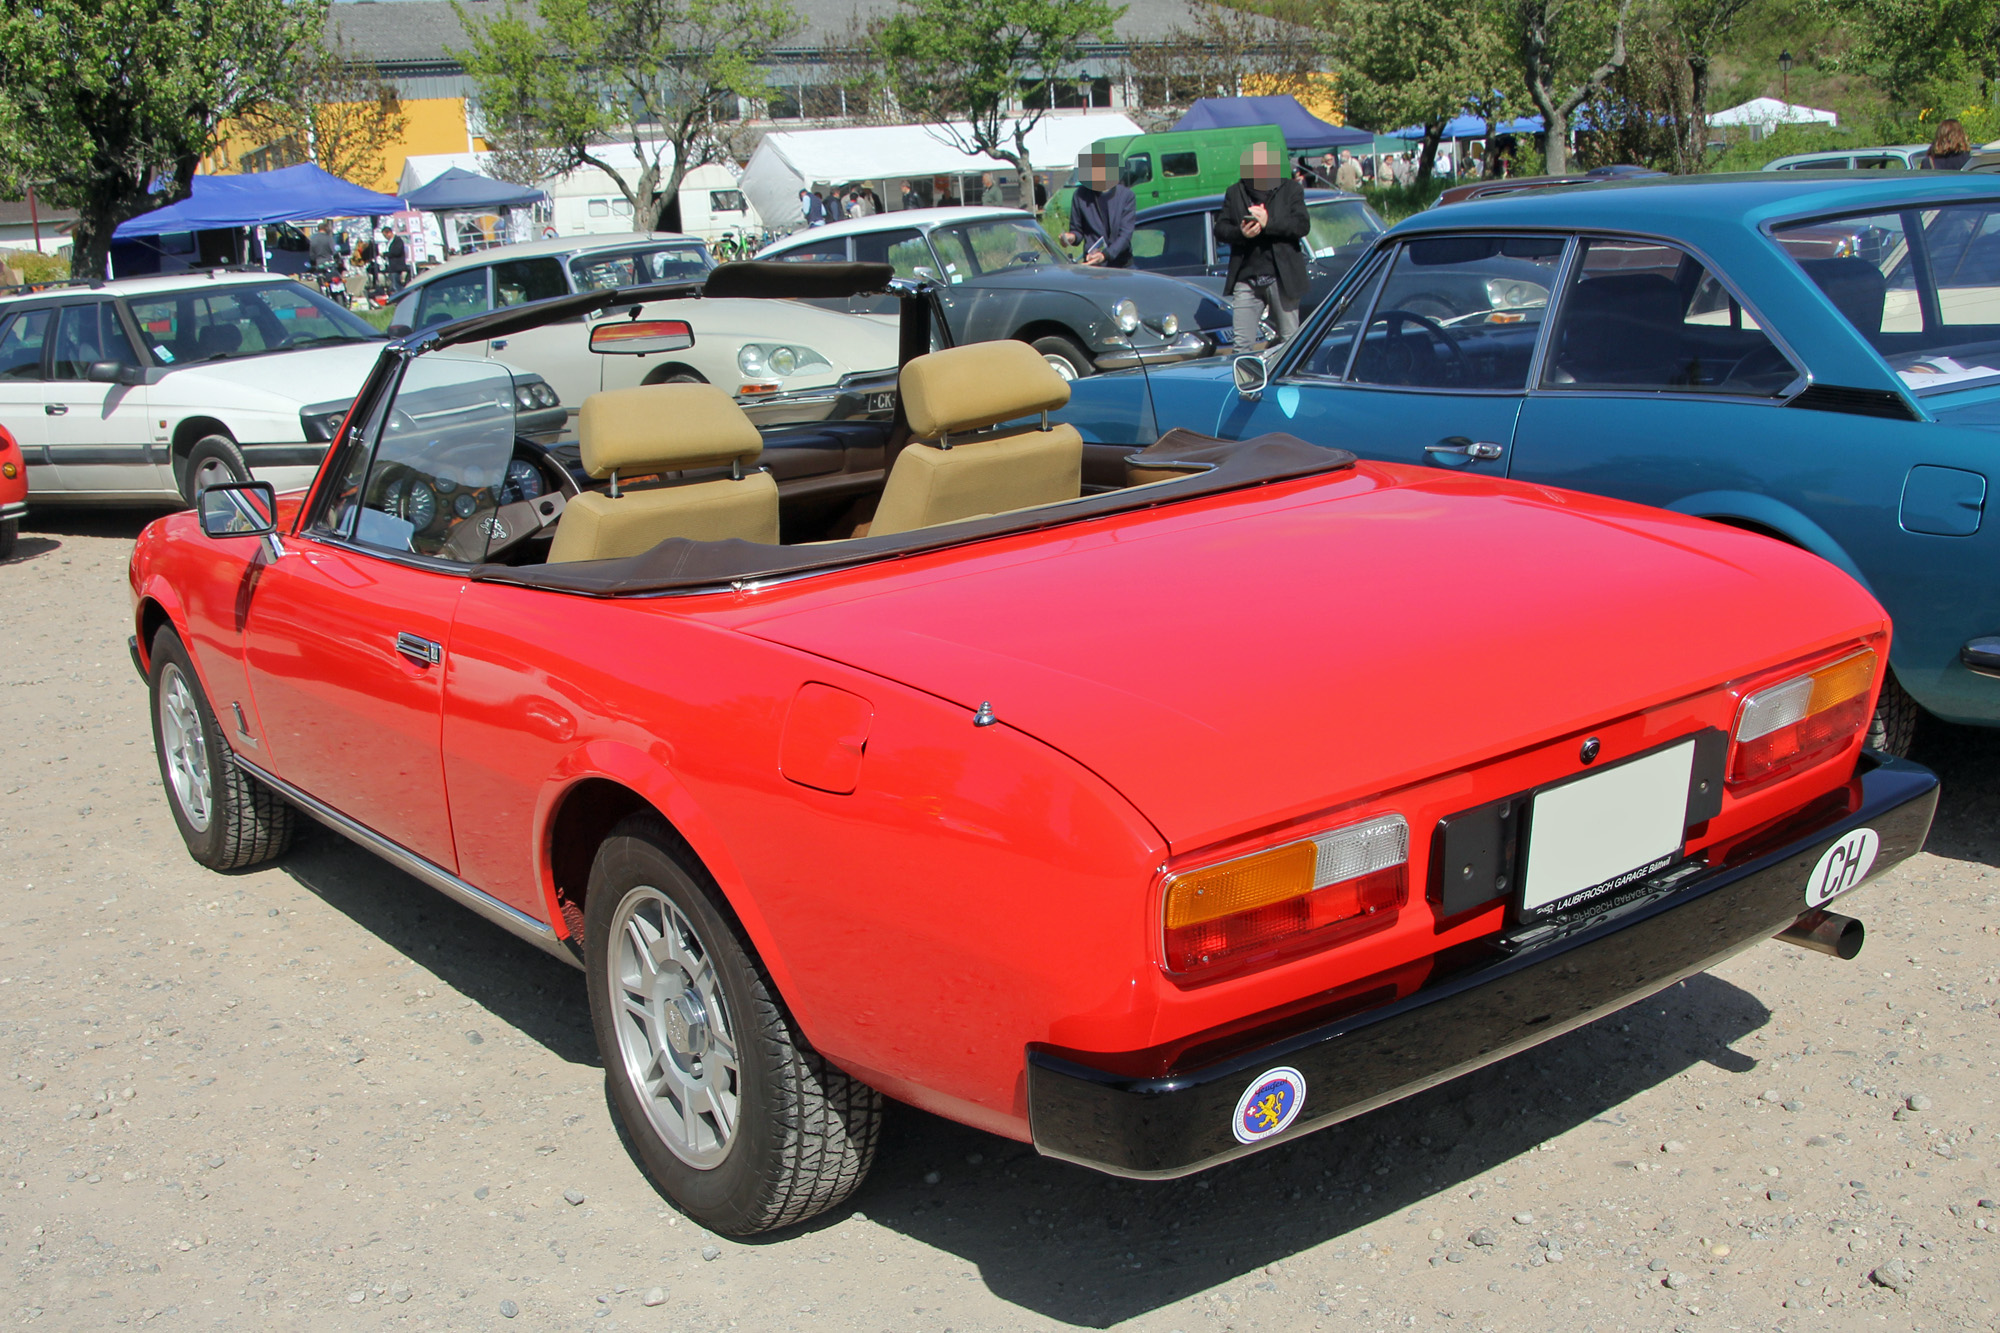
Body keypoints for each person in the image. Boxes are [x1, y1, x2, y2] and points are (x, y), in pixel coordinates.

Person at [1214, 143, 1309, 353]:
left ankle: (1284, 383)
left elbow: (1302, 225)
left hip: (1281, 276)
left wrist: (1269, 223)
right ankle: (1244, 384)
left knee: (1289, 341)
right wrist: (1241, 233)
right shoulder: (1235, 192)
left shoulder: (1290, 189)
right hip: (1247, 277)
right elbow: (1220, 229)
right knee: (1242, 345)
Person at [1061, 151, 1135, 267]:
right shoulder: (1080, 195)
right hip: (1094, 266)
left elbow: (1125, 235)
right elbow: (1077, 231)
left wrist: (1105, 255)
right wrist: (1071, 237)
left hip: (1121, 265)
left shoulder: (1126, 196)